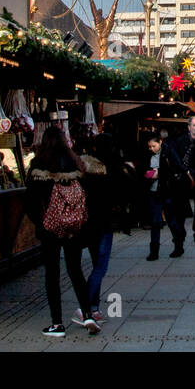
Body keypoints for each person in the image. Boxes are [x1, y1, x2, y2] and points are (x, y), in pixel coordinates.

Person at [28, 125, 99, 336]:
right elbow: (86, 196)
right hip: (73, 227)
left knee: (52, 274)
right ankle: (87, 314)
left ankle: (57, 324)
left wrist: (40, 222)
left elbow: (30, 201)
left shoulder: (38, 165)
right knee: (76, 271)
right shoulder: (75, 164)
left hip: (49, 228)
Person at [78, 128, 127, 326]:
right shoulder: (113, 169)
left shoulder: (83, 167)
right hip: (104, 223)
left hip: (86, 221)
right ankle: (86, 308)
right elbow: (121, 194)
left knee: (96, 264)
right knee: (100, 266)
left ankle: (94, 307)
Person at [143, 131, 190, 260]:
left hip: (168, 191)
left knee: (171, 220)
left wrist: (160, 173)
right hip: (153, 192)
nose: (151, 149)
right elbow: (142, 169)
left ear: (160, 142)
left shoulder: (169, 152)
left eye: (154, 146)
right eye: (150, 146)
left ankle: (178, 245)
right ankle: (154, 251)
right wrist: (147, 174)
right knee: (155, 222)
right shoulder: (147, 155)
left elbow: (178, 168)